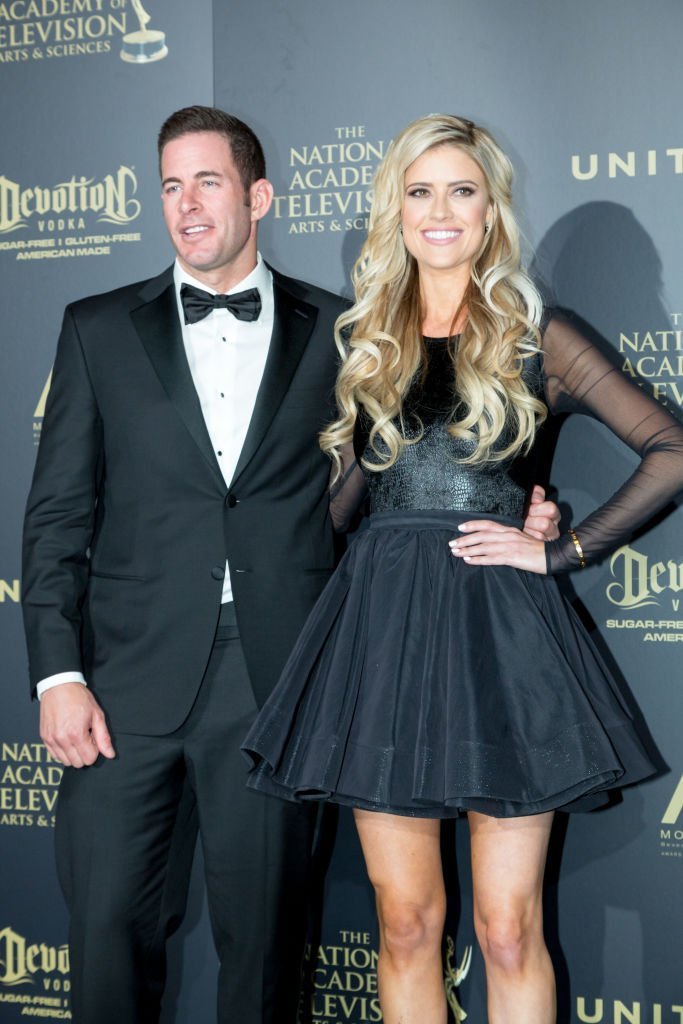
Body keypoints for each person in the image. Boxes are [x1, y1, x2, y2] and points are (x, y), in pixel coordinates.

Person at [21, 105, 559, 1023]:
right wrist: (57, 675)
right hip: (122, 684)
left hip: (281, 682)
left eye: (209, 182)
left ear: (258, 195)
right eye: (169, 186)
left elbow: (402, 473)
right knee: (105, 935)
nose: (186, 206)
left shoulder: (350, 335)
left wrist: (527, 511)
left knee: (269, 950)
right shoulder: (95, 327)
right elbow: (58, 515)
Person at [242, 114, 683, 1024]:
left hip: (501, 636)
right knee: (404, 925)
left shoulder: (537, 333)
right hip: (381, 638)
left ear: (490, 210)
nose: (438, 212)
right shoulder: (364, 339)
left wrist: (559, 547)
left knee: (507, 927)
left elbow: (669, 450)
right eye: (419, 191)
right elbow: (340, 513)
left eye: (461, 191)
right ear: (393, 210)